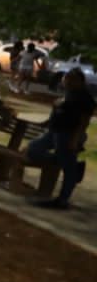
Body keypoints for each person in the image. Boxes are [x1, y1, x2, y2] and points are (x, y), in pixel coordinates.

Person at [30, 70, 95, 210]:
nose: (67, 82)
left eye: (71, 79)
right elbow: (59, 111)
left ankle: (62, 200)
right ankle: (59, 159)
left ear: (80, 81)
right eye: (66, 79)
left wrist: (75, 139)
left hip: (68, 134)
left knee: (69, 169)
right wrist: (48, 121)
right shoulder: (68, 93)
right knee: (33, 149)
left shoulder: (84, 98)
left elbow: (84, 121)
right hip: (54, 132)